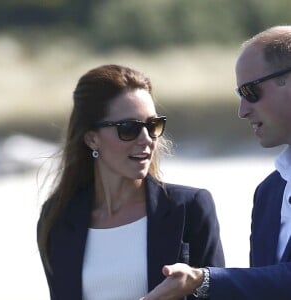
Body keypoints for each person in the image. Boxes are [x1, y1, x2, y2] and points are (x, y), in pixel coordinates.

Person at [37, 64, 225, 300]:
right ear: (92, 139)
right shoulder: (59, 218)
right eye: (129, 129)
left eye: (152, 125)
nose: (146, 139)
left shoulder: (189, 208)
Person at [141, 25, 291, 300]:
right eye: (240, 96)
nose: (242, 110)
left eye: (250, 91)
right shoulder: (269, 192)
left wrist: (203, 280)